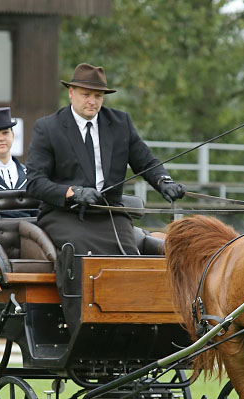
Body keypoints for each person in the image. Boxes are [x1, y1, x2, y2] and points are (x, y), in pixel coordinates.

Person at [25, 63, 186, 255]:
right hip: (65, 214)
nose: (92, 101)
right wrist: (73, 192)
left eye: (98, 96)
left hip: (110, 213)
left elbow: (146, 162)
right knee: (82, 253)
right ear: (71, 93)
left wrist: (164, 181)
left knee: (128, 255)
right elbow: (35, 182)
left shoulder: (120, 123)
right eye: (86, 95)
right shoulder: (48, 128)